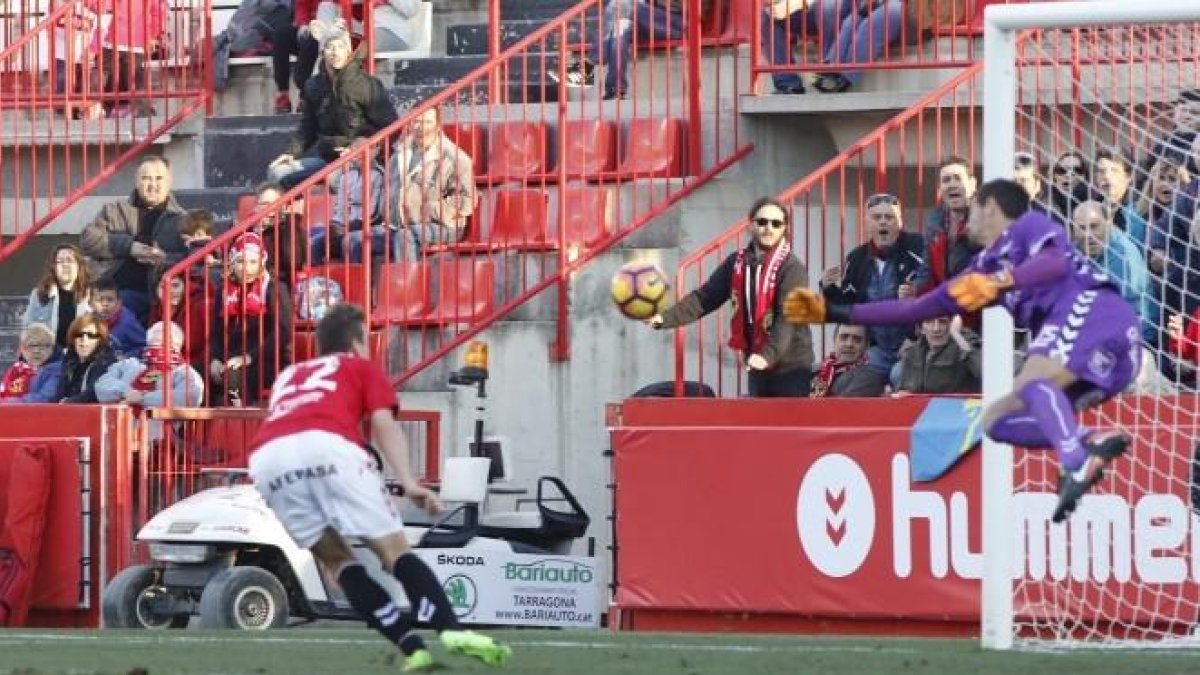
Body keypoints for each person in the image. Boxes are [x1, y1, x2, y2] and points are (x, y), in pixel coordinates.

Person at [782, 178, 1140, 523]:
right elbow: (914, 309)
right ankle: (1085, 445)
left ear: (992, 209)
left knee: (1033, 376)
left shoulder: (1029, 229)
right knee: (996, 421)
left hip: (1095, 314)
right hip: (1103, 364)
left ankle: (1076, 458)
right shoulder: (978, 272)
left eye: (975, 210)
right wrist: (833, 312)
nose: (967, 220)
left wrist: (1002, 281)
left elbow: (1056, 263)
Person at [246, 303, 511, 671]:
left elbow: (292, 424)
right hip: (329, 447)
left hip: (267, 459)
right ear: (356, 344)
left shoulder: (290, 375)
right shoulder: (359, 367)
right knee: (394, 552)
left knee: (338, 562)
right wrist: (408, 480)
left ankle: (412, 648)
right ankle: (451, 629)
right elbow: (383, 423)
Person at [647, 197, 815, 397]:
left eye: (776, 223)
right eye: (762, 222)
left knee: (788, 426)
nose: (768, 228)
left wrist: (767, 356)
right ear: (751, 225)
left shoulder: (792, 268)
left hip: (791, 365)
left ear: (784, 228)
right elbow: (705, 297)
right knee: (759, 424)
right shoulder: (737, 264)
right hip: (757, 361)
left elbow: (788, 318)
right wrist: (664, 318)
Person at [267, 26, 398, 189]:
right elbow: (307, 128)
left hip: (359, 160)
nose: (335, 52)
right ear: (323, 52)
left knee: (336, 180)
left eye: (341, 47)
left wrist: (364, 148)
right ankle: (294, 212)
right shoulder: (314, 85)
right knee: (277, 172)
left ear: (349, 51)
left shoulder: (367, 85)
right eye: (330, 47)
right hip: (327, 160)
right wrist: (290, 153)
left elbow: (391, 127)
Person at [819, 192, 924, 375]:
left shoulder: (918, 248)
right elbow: (848, 307)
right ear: (867, 224)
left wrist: (914, 337)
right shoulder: (856, 258)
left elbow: (936, 291)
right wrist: (828, 288)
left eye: (889, 217)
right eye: (877, 217)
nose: (883, 222)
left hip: (915, 344)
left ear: (900, 223)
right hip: (876, 349)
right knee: (853, 379)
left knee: (898, 376)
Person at [80, 155, 188, 323]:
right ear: (136, 181)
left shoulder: (182, 219)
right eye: (146, 178)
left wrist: (165, 259)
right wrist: (129, 247)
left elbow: (195, 256)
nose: (152, 185)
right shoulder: (113, 210)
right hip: (114, 292)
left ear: (169, 181)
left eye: (159, 178)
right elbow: (87, 240)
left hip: (160, 298)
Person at [209, 232, 293, 406]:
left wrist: (249, 357)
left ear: (261, 263)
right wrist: (215, 358)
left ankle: (240, 425)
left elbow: (283, 331)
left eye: (253, 262)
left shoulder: (274, 288)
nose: (246, 268)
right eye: (241, 262)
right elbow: (216, 330)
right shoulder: (223, 290)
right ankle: (186, 431)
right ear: (232, 263)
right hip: (231, 358)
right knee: (192, 375)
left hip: (266, 360)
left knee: (233, 376)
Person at [389, 107, 477, 259]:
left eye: (428, 122)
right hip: (403, 223)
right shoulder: (399, 154)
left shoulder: (455, 158)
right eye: (417, 121)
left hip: (445, 226)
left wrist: (428, 210)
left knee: (405, 237)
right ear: (409, 124)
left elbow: (467, 200)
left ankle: (408, 283)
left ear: (437, 125)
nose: (422, 127)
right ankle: (368, 283)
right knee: (355, 240)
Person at [22, 244, 93, 351]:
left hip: (82, 356)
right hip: (48, 356)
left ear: (79, 266)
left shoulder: (92, 294)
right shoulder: (39, 295)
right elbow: (28, 330)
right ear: (53, 267)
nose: (65, 265)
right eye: (60, 261)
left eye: (69, 260)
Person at [894, 315, 981, 395]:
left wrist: (956, 335)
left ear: (951, 324)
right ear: (921, 329)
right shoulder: (913, 351)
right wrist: (903, 393)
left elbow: (981, 370)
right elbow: (903, 388)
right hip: (924, 408)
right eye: (929, 322)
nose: (936, 329)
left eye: (942, 322)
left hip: (956, 407)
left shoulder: (965, 342)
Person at [809, 323, 886, 397]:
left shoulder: (870, 378)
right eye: (844, 337)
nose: (849, 344)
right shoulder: (812, 370)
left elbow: (842, 409)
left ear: (867, 345)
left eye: (857, 339)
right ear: (834, 340)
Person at [57, 314, 120, 404]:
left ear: (100, 339)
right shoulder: (69, 360)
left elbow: (93, 392)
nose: (84, 339)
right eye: (79, 334)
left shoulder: (106, 362)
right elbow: (59, 393)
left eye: (91, 335)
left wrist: (69, 402)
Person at [90, 277, 147, 359]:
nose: (105, 304)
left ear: (119, 302)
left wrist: (125, 357)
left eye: (110, 300)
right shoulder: (87, 322)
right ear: (90, 303)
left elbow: (144, 347)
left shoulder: (127, 322)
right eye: (99, 300)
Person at [0, 324, 60, 402]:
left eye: (43, 346)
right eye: (31, 346)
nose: (37, 351)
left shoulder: (55, 371)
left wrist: (9, 402)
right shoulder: (16, 369)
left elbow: (45, 397)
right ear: (22, 349)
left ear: (52, 349)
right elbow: (3, 390)